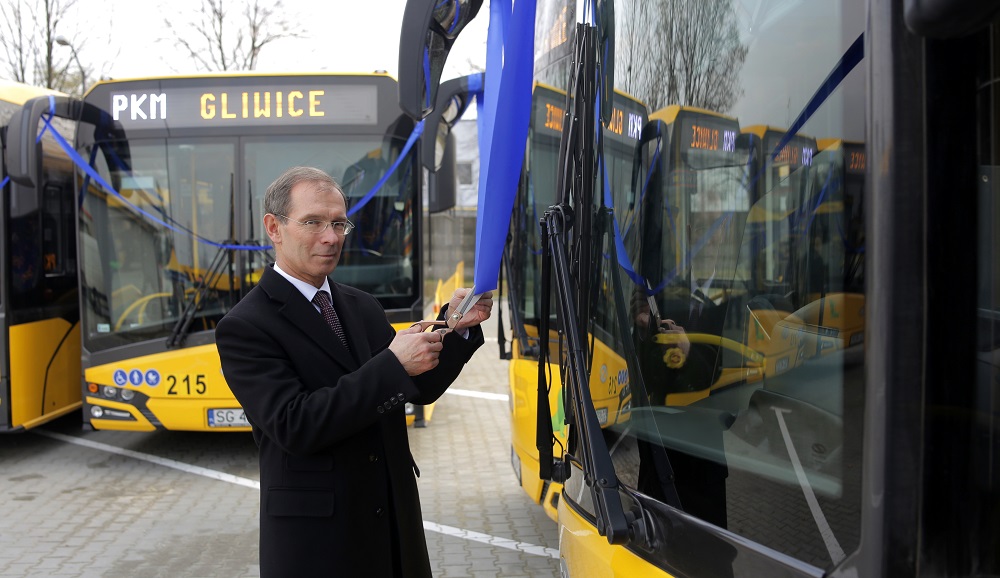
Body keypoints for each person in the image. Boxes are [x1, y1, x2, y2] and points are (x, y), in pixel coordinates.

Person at [215, 166, 493, 578]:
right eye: (313, 222)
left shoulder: (361, 305)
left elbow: (417, 386)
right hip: (320, 542)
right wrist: (394, 363)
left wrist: (455, 327)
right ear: (274, 228)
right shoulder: (245, 326)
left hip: (392, 520)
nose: (331, 237)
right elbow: (296, 425)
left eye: (339, 223)